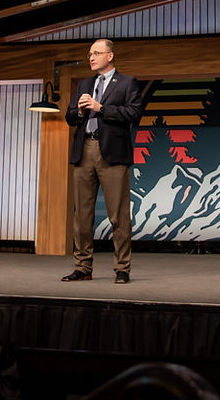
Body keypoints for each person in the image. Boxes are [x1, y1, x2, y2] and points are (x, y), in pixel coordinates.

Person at [62, 39, 143, 284]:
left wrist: (101, 107)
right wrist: (80, 111)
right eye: (89, 54)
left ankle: (122, 268)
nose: (91, 57)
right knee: (82, 215)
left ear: (110, 56)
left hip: (113, 152)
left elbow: (134, 113)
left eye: (96, 53)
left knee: (118, 215)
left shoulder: (127, 83)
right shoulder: (84, 84)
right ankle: (83, 267)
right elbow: (69, 117)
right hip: (84, 148)